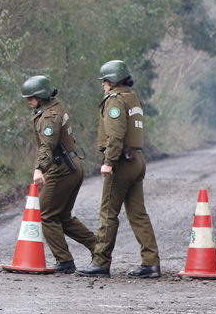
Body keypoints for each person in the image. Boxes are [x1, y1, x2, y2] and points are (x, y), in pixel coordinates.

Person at [78, 60, 161, 278]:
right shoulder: (133, 98)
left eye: (105, 80)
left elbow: (115, 135)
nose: (103, 84)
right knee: (138, 214)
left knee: (108, 213)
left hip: (122, 162)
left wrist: (109, 162)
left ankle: (100, 262)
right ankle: (151, 263)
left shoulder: (115, 100)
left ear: (113, 81)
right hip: (137, 159)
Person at [21, 75, 96, 274]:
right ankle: (98, 248)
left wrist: (39, 168)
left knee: (45, 213)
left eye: (31, 97)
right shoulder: (55, 109)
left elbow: (47, 146)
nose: (28, 101)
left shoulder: (48, 116)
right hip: (71, 165)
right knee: (61, 216)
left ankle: (64, 260)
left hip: (62, 168)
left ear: (42, 96)